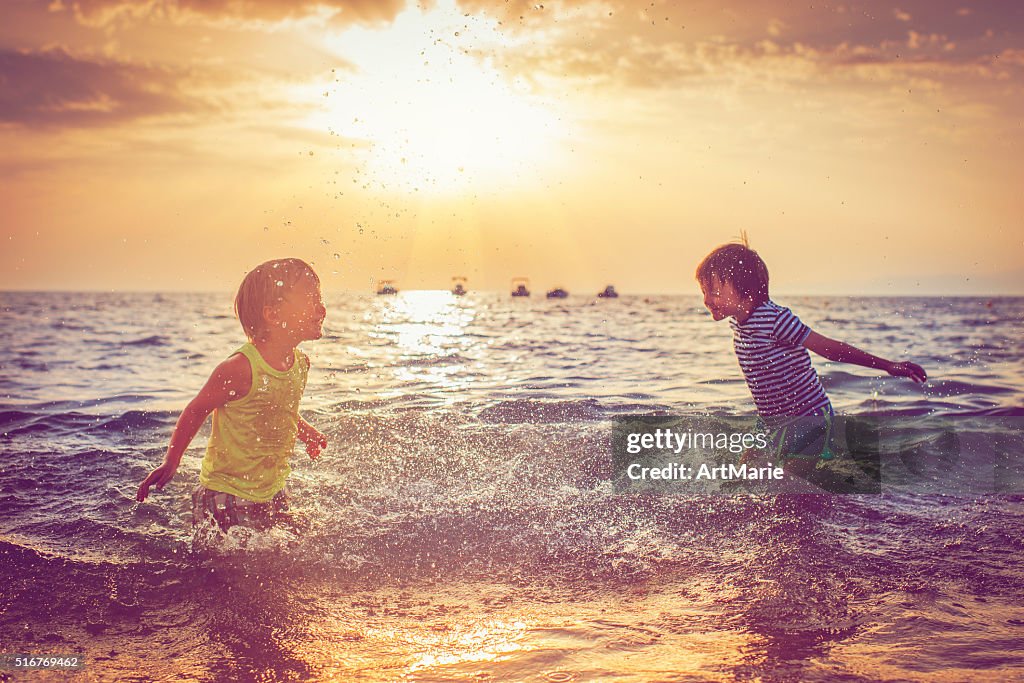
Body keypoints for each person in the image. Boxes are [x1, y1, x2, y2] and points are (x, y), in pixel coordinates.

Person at [695, 237, 926, 481]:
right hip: (770, 422)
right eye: (704, 292)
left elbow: (830, 350)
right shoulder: (738, 323)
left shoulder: (776, 320)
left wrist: (888, 365)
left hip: (809, 420)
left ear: (747, 293)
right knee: (741, 481)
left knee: (788, 492)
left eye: (714, 292)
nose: (707, 300)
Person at [136, 257, 328, 531]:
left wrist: (304, 430)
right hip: (226, 494)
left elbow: (276, 408)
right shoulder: (239, 368)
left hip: (270, 487)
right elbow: (196, 409)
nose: (321, 308)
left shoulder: (300, 364)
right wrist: (172, 460)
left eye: (320, 298)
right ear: (272, 314)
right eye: (309, 299)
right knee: (227, 568)